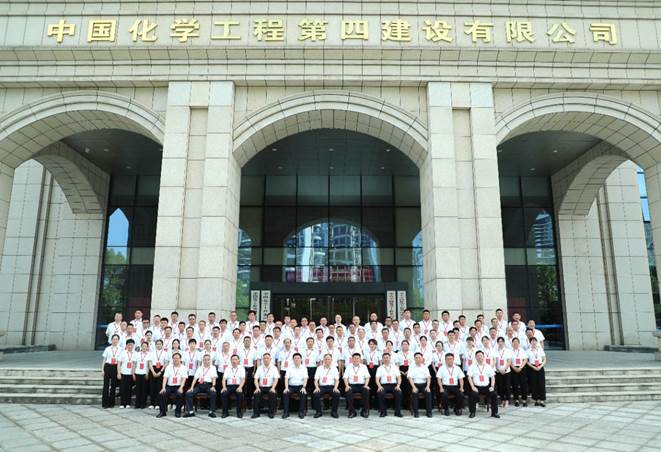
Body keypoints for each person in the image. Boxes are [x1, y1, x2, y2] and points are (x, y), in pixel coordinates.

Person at [467, 350, 499, 418]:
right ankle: (472, 412)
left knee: (494, 394)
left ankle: (494, 412)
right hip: (476, 387)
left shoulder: (488, 366)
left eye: (481, 356)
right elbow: (469, 377)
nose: (479, 357)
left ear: (483, 357)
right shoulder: (472, 366)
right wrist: (472, 387)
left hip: (486, 387)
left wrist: (492, 386)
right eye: (478, 356)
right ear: (475, 357)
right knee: (472, 394)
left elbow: (492, 377)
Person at [184, 353, 218, 418]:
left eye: (208, 359)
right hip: (199, 385)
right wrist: (191, 387)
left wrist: (213, 386)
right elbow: (195, 378)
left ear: (210, 360)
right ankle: (190, 411)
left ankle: (211, 412)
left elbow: (214, 378)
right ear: (203, 360)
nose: (206, 361)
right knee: (188, 394)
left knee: (213, 393)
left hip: (208, 385)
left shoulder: (213, 368)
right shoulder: (200, 368)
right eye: (205, 359)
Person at [156, 352, 186, 418]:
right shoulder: (169, 367)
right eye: (174, 358)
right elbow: (165, 378)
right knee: (161, 394)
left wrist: (181, 388)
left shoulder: (183, 368)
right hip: (170, 386)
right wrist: (163, 388)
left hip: (178, 386)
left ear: (180, 359)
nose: (176, 359)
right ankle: (162, 412)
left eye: (177, 358)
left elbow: (184, 379)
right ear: (172, 359)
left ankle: (177, 411)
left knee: (179, 395)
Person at [312, 354, 340, 418]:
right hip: (322, 387)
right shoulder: (319, 368)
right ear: (323, 360)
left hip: (332, 387)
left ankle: (334, 412)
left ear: (331, 360)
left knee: (337, 394)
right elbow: (316, 380)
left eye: (328, 359)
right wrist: (317, 387)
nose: (327, 360)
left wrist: (335, 387)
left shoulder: (334, 368)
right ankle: (318, 412)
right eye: (326, 359)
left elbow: (337, 380)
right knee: (316, 394)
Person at [343, 353, 371, 418]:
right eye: (354, 358)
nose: (356, 359)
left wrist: (366, 385)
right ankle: (352, 411)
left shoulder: (364, 367)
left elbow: (367, 377)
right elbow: (345, 377)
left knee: (366, 391)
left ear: (360, 359)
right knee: (348, 391)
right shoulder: (348, 367)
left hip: (362, 385)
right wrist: (347, 386)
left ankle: (364, 411)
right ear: (352, 359)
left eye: (357, 358)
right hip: (352, 385)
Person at [252, 353, 279, 418]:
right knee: (256, 394)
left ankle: (271, 413)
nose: (266, 359)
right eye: (264, 358)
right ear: (262, 359)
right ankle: (256, 413)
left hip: (270, 387)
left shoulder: (274, 368)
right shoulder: (259, 368)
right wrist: (257, 388)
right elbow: (256, 379)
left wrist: (273, 388)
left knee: (273, 394)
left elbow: (276, 379)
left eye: (267, 358)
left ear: (270, 359)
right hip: (261, 387)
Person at [375, 352, 402, 417]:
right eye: (384, 358)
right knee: (380, 392)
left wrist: (398, 385)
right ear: (382, 359)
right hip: (384, 385)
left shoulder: (395, 367)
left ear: (390, 358)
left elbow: (399, 378)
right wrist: (379, 386)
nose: (386, 359)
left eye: (387, 358)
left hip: (393, 385)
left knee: (399, 392)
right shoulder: (380, 368)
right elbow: (377, 379)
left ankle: (397, 412)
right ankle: (383, 412)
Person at [282, 353, 308, 419]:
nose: (296, 359)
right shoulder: (289, 368)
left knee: (303, 393)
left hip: (300, 386)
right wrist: (286, 388)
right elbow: (286, 378)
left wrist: (304, 387)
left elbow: (305, 378)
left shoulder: (304, 368)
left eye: (298, 358)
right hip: (291, 386)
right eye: (295, 358)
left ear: (301, 359)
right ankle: (286, 412)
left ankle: (301, 412)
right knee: (285, 393)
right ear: (293, 360)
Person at [407, 352, 432, 418]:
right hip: (415, 384)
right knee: (415, 393)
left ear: (422, 359)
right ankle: (416, 412)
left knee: (428, 393)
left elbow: (428, 377)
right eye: (416, 358)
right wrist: (413, 387)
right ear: (414, 359)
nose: (418, 359)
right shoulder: (411, 367)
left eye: (419, 358)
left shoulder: (425, 367)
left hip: (424, 384)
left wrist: (428, 386)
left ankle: (429, 412)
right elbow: (410, 378)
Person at [101, 334, 121, 408]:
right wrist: (102, 370)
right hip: (108, 366)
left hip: (115, 367)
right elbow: (104, 360)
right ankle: (105, 403)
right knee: (106, 385)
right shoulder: (107, 349)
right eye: (114, 339)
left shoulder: (120, 349)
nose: (115, 341)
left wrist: (119, 372)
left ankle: (111, 403)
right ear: (111, 340)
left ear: (118, 340)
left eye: (116, 339)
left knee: (113, 386)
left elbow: (120, 362)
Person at [527, 337, 546, 406]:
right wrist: (533, 367)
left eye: (535, 341)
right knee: (534, 384)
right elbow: (527, 361)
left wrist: (540, 366)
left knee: (541, 383)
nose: (534, 342)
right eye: (532, 341)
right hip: (532, 368)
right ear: (530, 342)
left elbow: (544, 359)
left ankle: (542, 400)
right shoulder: (528, 351)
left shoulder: (540, 350)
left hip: (540, 367)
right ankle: (536, 400)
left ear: (537, 342)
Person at [148, 339, 167, 409]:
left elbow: (166, 363)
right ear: (155, 345)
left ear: (162, 345)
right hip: (153, 369)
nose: (158, 345)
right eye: (157, 344)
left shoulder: (165, 353)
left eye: (160, 344)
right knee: (152, 387)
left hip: (161, 370)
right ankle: (152, 403)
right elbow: (149, 363)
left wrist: (161, 371)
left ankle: (158, 403)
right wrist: (153, 372)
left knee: (159, 387)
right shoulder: (152, 352)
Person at [118, 339, 137, 408]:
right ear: (126, 345)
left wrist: (133, 373)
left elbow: (135, 364)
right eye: (129, 345)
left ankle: (128, 403)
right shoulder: (122, 353)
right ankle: (122, 403)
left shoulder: (135, 353)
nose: (130, 346)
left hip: (130, 374)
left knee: (129, 389)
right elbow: (119, 364)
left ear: (133, 345)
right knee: (122, 388)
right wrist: (118, 373)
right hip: (123, 373)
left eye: (131, 345)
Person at [510, 337, 528, 407]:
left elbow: (525, 359)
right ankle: (516, 400)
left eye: (517, 342)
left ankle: (524, 400)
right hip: (513, 369)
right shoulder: (510, 351)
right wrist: (514, 368)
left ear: (519, 343)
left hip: (521, 368)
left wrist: (521, 367)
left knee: (523, 384)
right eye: (514, 342)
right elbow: (509, 361)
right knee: (515, 385)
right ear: (512, 343)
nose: (515, 343)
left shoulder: (522, 350)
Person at [495, 337, 512, 407]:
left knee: (507, 386)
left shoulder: (507, 351)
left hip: (506, 371)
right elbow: (494, 362)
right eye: (499, 341)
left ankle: (507, 400)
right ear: (497, 343)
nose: (500, 343)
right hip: (498, 371)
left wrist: (504, 369)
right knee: (500, 387)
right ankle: (502, 401)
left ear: (504, 342)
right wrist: (498, 369)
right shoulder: (495, 351)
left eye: (502, 341)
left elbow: (509, 361)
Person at [134, 341, 150, 409]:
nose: (144, 347)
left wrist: (147, 373)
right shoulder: (137, 354)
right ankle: (137, 404)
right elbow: (134, 364)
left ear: (147, 347)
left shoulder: (149, 355)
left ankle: (143, 404)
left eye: (145, 346)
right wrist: (133, 373)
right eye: (143, 346)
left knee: (144, 390)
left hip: (145, 373)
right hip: (137, 373)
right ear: (141, 347)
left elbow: (149, 365)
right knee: (138, 389)